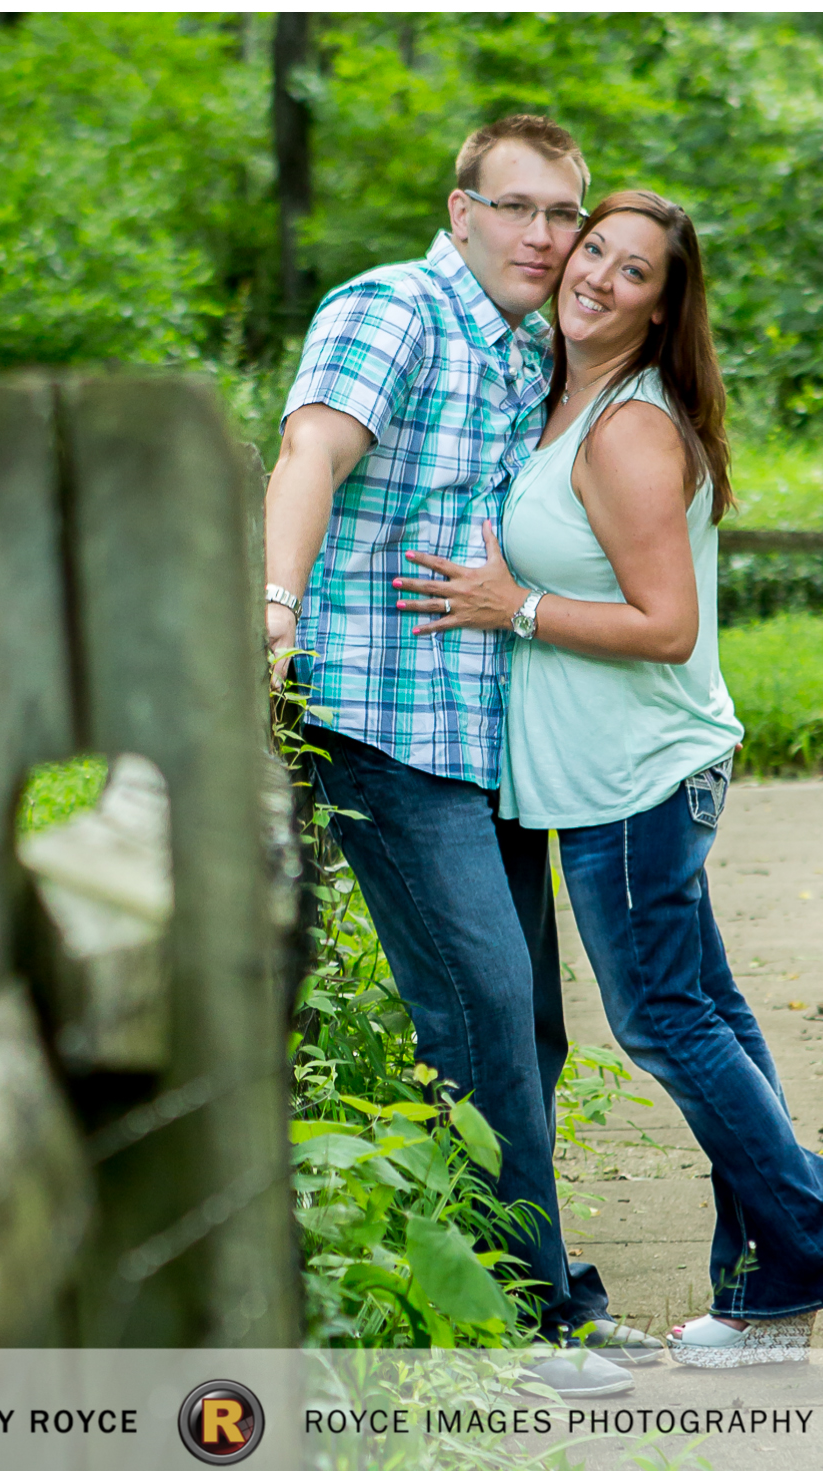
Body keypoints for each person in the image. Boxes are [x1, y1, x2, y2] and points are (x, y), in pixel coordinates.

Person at [394, 190, 823, 1373]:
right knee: (714, 1023)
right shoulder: (561, 404)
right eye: (593, 250)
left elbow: (666, 624)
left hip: (635, 780)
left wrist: (515, 607)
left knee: (667, 1023)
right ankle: (760, 1300)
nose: (594, 275)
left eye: (631, 271)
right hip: (615, 778)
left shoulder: (629, 429)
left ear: (660, 309)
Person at [263, 117, 659, 1390]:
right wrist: (273, 607)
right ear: (462, 211)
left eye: (564, 216)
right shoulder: (395, 311)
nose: (546, 238)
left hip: (482, 731)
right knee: (483, 1002)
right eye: (521, 209)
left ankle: (493, 1278)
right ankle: (540, 1322)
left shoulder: (528, 344)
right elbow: (310, 452)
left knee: (525, 1026)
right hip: (382, 725)